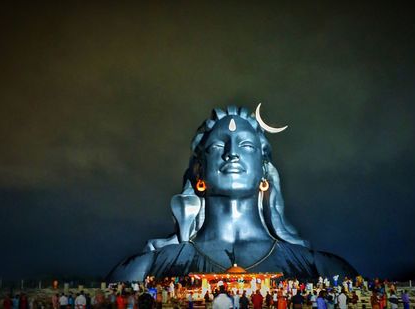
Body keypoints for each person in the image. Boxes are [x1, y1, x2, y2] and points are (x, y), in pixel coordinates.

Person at [108, 106, 358, 281]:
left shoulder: (323, 267)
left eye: (247, 145)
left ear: (264, 171)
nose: (232, 153)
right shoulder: (143, 268)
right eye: (218, 145)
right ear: (199, 172)